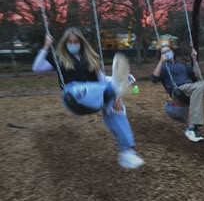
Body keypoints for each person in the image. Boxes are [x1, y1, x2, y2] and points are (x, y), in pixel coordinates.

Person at [32, 27, 144, 169]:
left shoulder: (92, 59)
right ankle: (116, 84)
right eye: (70, 41)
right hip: (72, 95)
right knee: (87, 88)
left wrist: (119, 90)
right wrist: (46, 45)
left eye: (76, 41)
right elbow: (36, 68)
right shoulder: (59, 57)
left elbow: (101, 80)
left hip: (96, 95)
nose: (73, 44)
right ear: (65, 43)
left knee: (117, 108)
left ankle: (127, 152)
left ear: (81, 42)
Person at [151, 44, 204, 142]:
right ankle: (192, 128)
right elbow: (154, 79)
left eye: (168, 51)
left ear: (173, 52)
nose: (167, 54)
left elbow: (196, 75)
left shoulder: (181, 65)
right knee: (199, 86)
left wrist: (194, 60)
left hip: (192, 88)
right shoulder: (163, 67)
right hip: (179, 91)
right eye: (164, 52)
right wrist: (161, 61)